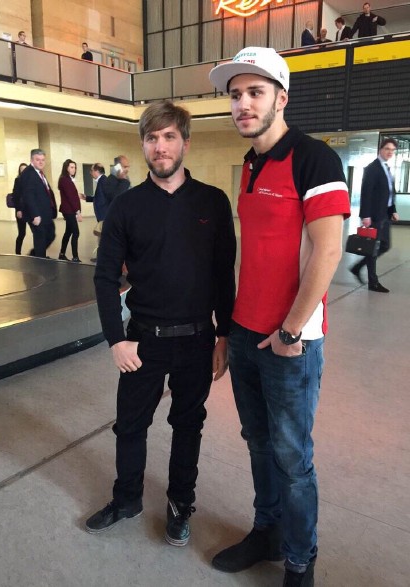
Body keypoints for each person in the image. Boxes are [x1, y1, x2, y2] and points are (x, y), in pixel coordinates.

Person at [209, 47, 350, 586]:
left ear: (281, 98)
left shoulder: (314, 158)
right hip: (246, 332)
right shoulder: (250, 163)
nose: (242, 104)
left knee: (293, 459)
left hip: (290, 341)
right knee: (258, 443)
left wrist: (291, 330)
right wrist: (228, 330)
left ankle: (299, 559)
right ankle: (267, 532)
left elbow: (328, 251)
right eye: (235, 95)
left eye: (255, 92)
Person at [86, 100, 236, 548]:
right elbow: (104, 277)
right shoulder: (126, 206)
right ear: (143, 146)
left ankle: (179, 505)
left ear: (185, 143)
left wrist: (223, 334)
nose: (160, 146)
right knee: (130, 426)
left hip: (197, 340)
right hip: (142, 342)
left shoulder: (213, 201)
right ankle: (127, 499)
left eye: (169, 136)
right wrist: (116, 340)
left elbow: (223, 275)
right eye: (151, 138)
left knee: (188, 426)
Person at [350, 138, 399, 293]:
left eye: (393, 150)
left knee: (385, 245)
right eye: (387, 149)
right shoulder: (372, 168)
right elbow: (366, 192)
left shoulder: (386, 168)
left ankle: (358, 267)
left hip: (385, 214)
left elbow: (389, 192)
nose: (390, 152)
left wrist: (393, 210)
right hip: (374, 215)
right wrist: (365, 215)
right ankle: (373, 282)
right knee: (372, 248)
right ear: (380, 149)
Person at [21, 148, 57, 259]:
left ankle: (35, 255)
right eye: (38, 160)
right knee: (40, 238)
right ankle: (40, 262)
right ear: (32, 160)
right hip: (37, 214)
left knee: (50, 234)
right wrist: (35, 214)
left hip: (45, 213)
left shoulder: (39, 173)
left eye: (43, 160)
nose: (41, 162)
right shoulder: (29, 173)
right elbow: (28, 195)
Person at [58, 159, 83, 263]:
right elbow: (70, 197)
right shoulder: (65, 180)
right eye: (72, 167)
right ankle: (75, 257)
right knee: (76, 232)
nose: (74, 169)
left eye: (75, 167)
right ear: (66, 168)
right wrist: (78, 212)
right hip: (69, 210)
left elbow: (72, 195)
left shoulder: (67, 179)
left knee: (68, 232)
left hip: (69, 210)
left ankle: (62, 254)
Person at [82, 163, 107, 261]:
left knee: (102, 236)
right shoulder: (101, 181)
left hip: (104, 215)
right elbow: (98, 197)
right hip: (102, 215)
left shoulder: (103, 181)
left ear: (96, 171)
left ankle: (101, 258)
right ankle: (101, 257)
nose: (90, 173)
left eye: (91, 170)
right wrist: (86, 198)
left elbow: (107, 198)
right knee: (101, 236)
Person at [12, 162, 28, 254]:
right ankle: (18, 253)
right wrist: (18, 210)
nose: (24, 171)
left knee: (37, 232)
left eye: (25, 169)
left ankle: (38, 253)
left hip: (30, 210)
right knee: (22, 233)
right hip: (21, 210)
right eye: (22, 169)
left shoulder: (31, 180)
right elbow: (15, 196)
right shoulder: (17, 180)